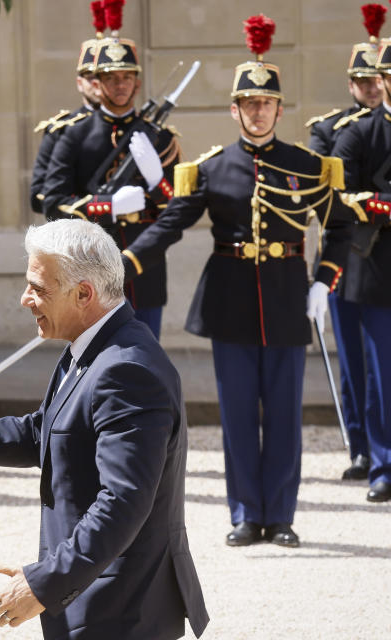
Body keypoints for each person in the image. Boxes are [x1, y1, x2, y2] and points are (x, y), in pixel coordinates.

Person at [0, 219, 207, 639]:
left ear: (84, 294)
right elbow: (42, 433)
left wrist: (43, 582)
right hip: (89, 594)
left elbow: (123, 502)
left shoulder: (126, 369)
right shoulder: (88, 345)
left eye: (38, 289)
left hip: (120, 608)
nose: (25, 299)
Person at [118, 15, 351, 547]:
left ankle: (283, 517)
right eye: (248, 103)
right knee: (239, 413)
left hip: (289, 295)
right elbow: (170, 225)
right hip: (230, 300)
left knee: (286, 414)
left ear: (279, 109)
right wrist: (127, 262)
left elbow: (339, 226)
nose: (258, 111)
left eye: (266, 103)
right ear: (235, 110)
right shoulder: (211, 168)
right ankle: (246, 513)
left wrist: (324, 281)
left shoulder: (308, 167)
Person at [42, 3, 180, 339]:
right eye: (111, 77)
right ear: (97, 82)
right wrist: (110, 207)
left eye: (127, 77)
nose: (120, 85)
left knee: (145, 363)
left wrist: (157, 180)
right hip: (89, 271)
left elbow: (177, 211)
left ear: (137, 83)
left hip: (144, 269)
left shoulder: (161, 138)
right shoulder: (74, 134)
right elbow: (52, 203)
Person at [331, 4, 391, 503]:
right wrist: (389, 204)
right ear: (378, 79)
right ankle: (385, 467)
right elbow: (340, 196)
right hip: (377, 266)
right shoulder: (359, 133)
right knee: (382, 374)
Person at [304, 3, 386, 481]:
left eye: (381, 80)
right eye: (365, 82)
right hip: (350, 255)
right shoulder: (328, 129)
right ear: (352, 84)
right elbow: (320, 190)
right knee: (354, 358)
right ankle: (361, 445)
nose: (374, 88)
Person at [28, 1, 104, 214]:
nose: (98, 85)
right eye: (91, 78)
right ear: (80, 83)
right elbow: (38, 196)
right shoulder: (62, 129)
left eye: (106, 78)